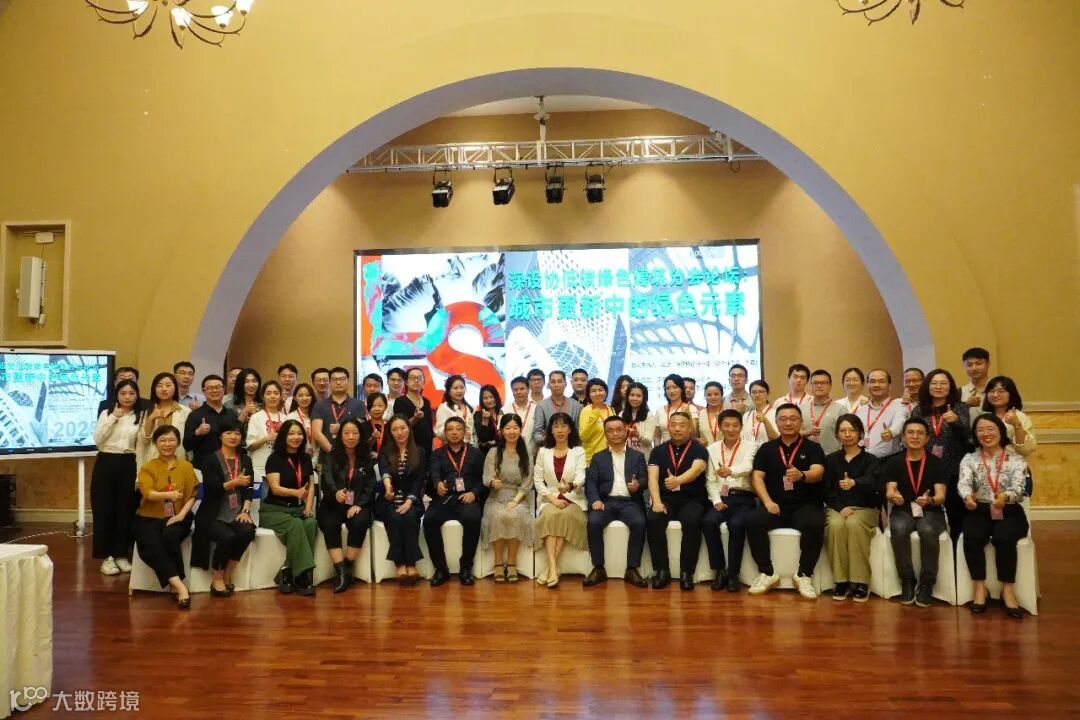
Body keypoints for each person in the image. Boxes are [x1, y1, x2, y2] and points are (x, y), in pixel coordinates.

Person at [746, 404, 827, 599]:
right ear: (776, 422)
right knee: (753, 520)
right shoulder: (767, 448)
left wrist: (802, 475)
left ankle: (804, 575)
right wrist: (767, 502)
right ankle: (767, 573)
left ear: (801, 422)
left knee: (815, 523)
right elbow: (757, 477)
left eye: (793, 418)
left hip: (805, 505)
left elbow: (818, 472)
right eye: (783, 419)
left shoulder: (813, 447)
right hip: (775, 506)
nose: (788, 423)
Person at [959, 414, 1030, 619]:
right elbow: (964, 483)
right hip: (979, 509)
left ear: (1001, 431)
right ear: (975, 434)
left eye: (991, 429)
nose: (986, 434)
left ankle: (1008, 590)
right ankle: (979, 588)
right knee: (972, 537)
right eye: (980, 430)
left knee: (1004, 537)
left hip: (1009, 510)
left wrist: (1005, 497)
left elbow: (1019, 488)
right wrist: (967, 497)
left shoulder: (1015, 459)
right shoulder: (969, 459)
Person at [882, 418, 948, 607]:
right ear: (903, 437)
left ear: (927, 438)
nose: (915, 436)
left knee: (928, 530)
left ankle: (927, 583)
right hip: (903, 509)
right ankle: (907, 580)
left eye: (920, 433)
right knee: (898, 529)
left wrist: (930, 500)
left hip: (931, 510)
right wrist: (893, 496)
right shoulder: (894, 462)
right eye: (910, 432)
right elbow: (890, 490)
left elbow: (941, 496)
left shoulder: (937, 463)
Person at [133, 426, 198, 608]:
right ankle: (179, 586)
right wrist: (168, 495)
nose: (167, 444)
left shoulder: (186, 466)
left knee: (170, 536)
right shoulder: (148, 467)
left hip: (180, 515)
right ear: (155, 443)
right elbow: (148, 494)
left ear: (178, 443)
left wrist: (181, 515)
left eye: (171, 440)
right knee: (150, 546)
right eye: (162, 440)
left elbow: (192, 495)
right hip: (149, 517)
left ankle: (176, 587)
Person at [191, 419, 256, 597]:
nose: (233, 437)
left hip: (237, 511)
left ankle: (228, 571)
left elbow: (249, 487)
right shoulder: (210, 459)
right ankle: (217, 577)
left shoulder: (245, 459)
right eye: (228, 433)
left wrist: (246, 511)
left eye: (237, 433)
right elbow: (213, 489)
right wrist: (235, 482)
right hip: (212, 514)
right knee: (227, 536)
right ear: (220, 436)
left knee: (247, 531)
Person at [583, 416, 649, 588]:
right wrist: (595, 500)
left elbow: (645, 479)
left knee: (639, 522)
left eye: (619, 429)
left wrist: (638, 484)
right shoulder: (598, 457)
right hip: (606, 501)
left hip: (630, 502)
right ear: (605, 434)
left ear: (626, 431)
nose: (615, 434)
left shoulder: (638, 456)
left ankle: (632, 569)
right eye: (610, 431)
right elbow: (591, 483)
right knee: (594, 522)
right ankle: (598, 568)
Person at [646, 411, 709, 591]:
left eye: (682, 425)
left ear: (690, 428)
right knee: (654, 519)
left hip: (692, 498)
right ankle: (662, 571)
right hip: (666, 498)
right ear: (668, 427)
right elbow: (652, 478)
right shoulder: (658, 450)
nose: (677, 429)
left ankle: (686, 572)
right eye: (673, 425)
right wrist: (657, 502)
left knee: (692, 520)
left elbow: (696, 470)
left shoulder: (699, 449)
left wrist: (677, 481)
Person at [822, 414, 881, 602]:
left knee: (854, 524)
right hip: (837, 508)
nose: (847, 434)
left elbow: (874, 483)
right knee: (835, 525)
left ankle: (860, 581)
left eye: (852, 430)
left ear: (860, 433)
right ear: (837, 435)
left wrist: (855, 482)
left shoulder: (871, 459)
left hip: (865, 509)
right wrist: (840, 508)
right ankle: (841, 581)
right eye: (843, 431)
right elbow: (826, 490)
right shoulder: (831, 460)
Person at [700, 410, 758, 593]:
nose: (731, 429)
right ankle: (720, 571)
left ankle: (733, 573)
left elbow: (748, 467)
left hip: (743, 497)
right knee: (708, 521)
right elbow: (710, 480)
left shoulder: (751, 446)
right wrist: (716, 500)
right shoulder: (712, 449)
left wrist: (730, 471)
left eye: (735, 425)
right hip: (721, 497)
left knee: (737, 524)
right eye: (727, 425)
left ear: (741, 427)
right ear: (720, 427)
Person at [910, 369, 971, 539]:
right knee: (928, 512)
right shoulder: (919, 410)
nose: (938, 387)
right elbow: (911, 436)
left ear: (950, 387)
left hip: (953, 468)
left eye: (943, 383)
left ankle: (956, 551)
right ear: (927, 386)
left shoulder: (959, 407)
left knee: (956, 515)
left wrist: (955, 422)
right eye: (934, 383)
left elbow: (967, 437)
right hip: (927, 468)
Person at [260, 419, 318, 596]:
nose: (296, 437)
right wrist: (296, 493)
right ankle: (303, 576)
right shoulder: (274, 458)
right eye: (291, 433)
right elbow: (275, 489)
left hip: (296, 510)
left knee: (310, 523)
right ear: (283, 436)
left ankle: (287, 571)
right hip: (273, 510)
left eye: (299, 433)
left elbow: (311, 486)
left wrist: (308, 507)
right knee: (296, 525)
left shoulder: (305, 458)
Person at [317, 418, 376, 593]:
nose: (351, 437)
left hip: (356, 503)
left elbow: (370, 485)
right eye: (346, 433)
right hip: (333, 503)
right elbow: (326, 479)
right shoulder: (330, 455)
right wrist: (335, 492)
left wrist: (359, 504)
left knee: (360, 521)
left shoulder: (366, 458)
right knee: (330, 523)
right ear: (340, 435)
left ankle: (347, 566)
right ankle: (341, 571)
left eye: (355, 433)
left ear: (360, 436)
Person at [91, 379, 143, 576]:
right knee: (104, 510)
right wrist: (114, 417)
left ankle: (121, 554)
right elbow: (98, 439)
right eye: (123, 393)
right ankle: (107, 557)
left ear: (137, 395)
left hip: (129, 463)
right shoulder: (107, 413)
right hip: (106, 462)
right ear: (117, 395)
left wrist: (139, 474)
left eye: (131, 393)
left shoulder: (141, 416)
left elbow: (141, 446)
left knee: (126, 510)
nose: (127, 397)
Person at [425, 416, 485, 586]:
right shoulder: (437, 454)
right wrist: (437, 485)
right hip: (445, 498)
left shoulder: (476, 453)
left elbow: (484, 479)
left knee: (473, 519)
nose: (454, 432)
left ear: (465, 431)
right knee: (429, 520)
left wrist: (474, 493)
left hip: (467, 498)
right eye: (450, 429)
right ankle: (440, 569)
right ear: (445, 433)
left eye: (458, 429)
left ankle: (466, 567)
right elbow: (434, 474)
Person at [533, 412, 588, 589]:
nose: (560, 430)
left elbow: (581, 476)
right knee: (552, 515)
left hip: (573, 498)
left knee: (564, 516)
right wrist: (552, 499)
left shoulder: (578, 451)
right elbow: (537, 480)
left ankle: (549, 569)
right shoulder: (543, 452)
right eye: (556, 426)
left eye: (563, 426)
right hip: (549, 498)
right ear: (550, 430)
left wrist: (570, 486)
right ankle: (553, 568)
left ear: (570, 429)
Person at [482, 414, 534, 583]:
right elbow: (487, 477)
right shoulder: (493, 452)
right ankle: (498, 563)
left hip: (518, 497)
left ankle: (511, 563)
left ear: (520, 430)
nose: (512, 432)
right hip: (496, 497)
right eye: (508, 428)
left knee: (514, 515)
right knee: (498, 515)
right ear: (501, 431)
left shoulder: (526, 453)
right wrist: (492, 482)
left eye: (515, 428)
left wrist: (515, 501)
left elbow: (527, 481)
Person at [376, 415, 426, 584]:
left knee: (410, 517)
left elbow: (419, 480)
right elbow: (384, 471)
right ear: (390, 432)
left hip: (412, 499)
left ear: (409, 429)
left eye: (402, 428)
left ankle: (411, 564)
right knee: (396, 517)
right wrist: (388, 488)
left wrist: (409, 501)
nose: (399, 432)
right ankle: (400, 564)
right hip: (389, 499)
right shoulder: (385, 451)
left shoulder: (419, 451)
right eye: (395, 429)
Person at [312, 366, 368, 462]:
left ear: (348, 381)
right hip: (327, 457)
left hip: (352, 458)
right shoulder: (320, 405)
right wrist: (333, 452)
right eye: (334, 380)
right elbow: (317, 433)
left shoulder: (358, 404)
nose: (338, 382)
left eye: (342, 379)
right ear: (330, 382)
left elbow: (359, 430)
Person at [183, 375, 239, 466]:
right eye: (210, 388)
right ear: (204, 391)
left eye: (218, 387)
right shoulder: (195, 415)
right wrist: (197, 432)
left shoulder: (231, 414)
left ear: (223, 389)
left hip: (229, 465)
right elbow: (186, 445)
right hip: (204, 466)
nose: (214, 390)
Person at [137, 372, 190, 467]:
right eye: (159, 386)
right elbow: (144, 441)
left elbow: (188, 441)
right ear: (154, 389)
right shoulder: (147, 411)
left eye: (168, 385)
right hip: (153, 461)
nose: (164, 389)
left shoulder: (185, 411)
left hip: (178, 461)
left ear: (175, 388)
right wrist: (151, 418)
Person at [855, 369, 909, 458]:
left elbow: (900, 421)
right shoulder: (861, 408)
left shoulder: (899, 405)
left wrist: (892, 432)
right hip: (863, 459)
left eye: (881, 381)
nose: (876, 385)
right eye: (872, 381)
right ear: (867, 385)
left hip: (888, 460)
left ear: (889, 385)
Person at [246, 381, 287, 495]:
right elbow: (250, 446)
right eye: (268, 393)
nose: (272, 396)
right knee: (259, 503)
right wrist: (267, 438)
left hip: (281, 470)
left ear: (280, 396)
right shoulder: (256, 417)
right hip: (260, 470)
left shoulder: (286, 418)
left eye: (276, 393)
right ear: (263, 396)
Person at [982, 376, 1036, 457]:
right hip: (987, 462)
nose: (995, 395)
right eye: (991, 391)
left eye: (1001, 391)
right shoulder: (983, 417)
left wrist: (1017, 425)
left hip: (1013, 462)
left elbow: (1026, 450)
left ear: (1011, 394)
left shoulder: (1020, 417)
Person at [531, 370, 583, 448]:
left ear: (565, 384)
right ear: (549, 385)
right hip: (549, 449)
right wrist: (552, 439)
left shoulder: (576, 406)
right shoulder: (541, 406)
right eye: (553, 382)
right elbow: (536, 434)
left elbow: (579, 431)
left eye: (559, 381)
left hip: (571, 449)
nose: (556, 385)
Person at [393, 366, 434, 455]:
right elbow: (400, 427)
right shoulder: (400, 402)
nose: (416, 381)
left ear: (423, 382)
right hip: (410, 448)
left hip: (427, 448)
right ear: (406, 382)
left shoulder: (426, 402)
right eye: (412, 378)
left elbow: (429, 427)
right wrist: (415, 418)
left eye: (419, 378)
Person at [804, 369, 844, 455]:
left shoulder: (840, 409)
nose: (819, 386)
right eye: (815, 383)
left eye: (824, 383)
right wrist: (808, 433)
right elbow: (794, 434)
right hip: (805, 457)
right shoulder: (801, 408)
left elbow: (846, 436)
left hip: (832, 457)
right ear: (811, 385)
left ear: (830, 386)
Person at [654, 373, 699, 446]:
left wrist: (688, 413)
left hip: (686, 449)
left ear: (682, 389)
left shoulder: (690, 408)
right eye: (668, 388)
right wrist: (657, 450)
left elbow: (694, 435)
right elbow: (657, 436)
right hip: (665, 449)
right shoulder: (660, 410)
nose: (671, 391)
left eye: (675, 387)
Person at [578, 378, 615, 465]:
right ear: (589, 394)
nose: (598, 393)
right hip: (592, 459)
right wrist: (594, 418)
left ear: (606, 392)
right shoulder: (587, 410)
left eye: (600, 390)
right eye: (593, 391)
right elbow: (583, 436)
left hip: (610, 457)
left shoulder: (611, 409)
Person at [435, 374, 474, 446]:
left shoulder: (470, 408)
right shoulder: (444, 408)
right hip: (452, 447)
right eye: (455, 388)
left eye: (462, 387)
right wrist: (457, 434)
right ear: (449, 391)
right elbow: (439, 432)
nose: (459, 391)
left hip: (470, 447)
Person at [621, 381, 656, 458]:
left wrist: (638, 435)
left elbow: (648, 441)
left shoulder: (649, 416)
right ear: (627, 396)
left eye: (638, 396)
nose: (635, 398)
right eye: (632, 395)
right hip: (624, 457)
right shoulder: (621, 414)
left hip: (643, 458)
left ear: (644, 398)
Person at [504, 376, 536, 455]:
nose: (519, 392)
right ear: (512, 391)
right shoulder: (505, 410)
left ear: (528, 390)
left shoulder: (536, 409)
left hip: (531, 454)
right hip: (510, 454)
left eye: (522, 389)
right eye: (515, 390)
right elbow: (500, 432)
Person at [742, 379, 779, 444]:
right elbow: (742, 437)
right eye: (754, 392)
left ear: (767, 394)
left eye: (761, 392)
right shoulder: (746, 415)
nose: (757, 395)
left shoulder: (776, 414)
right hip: (749, 450)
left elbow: (777, 438)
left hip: (768, 449)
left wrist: (766, 421)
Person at [285, 382, 317, 456]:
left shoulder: (318, 416)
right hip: (297, 456)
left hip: (318, 457)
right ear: (295, 398)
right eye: (300, 395)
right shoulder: (290, 417)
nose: (304, 398)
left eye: (308, 395)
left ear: (312, 397)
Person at [473, 384, 503, 457]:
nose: (489, 401)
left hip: (502, 451)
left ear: (496, 397)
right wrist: (485, 420)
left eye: (491, 397)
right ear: (481, 400)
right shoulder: (478, 414)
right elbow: (483, 438)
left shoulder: (502, 412)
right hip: (486, 453)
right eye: (485, 398)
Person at [697, 381, 726, 446]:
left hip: (725, 450)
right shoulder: (700, 414)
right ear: (705, 396)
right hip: (705, 450)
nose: (713, 397)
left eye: (716, 394)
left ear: (722, 396)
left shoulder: (728, 413)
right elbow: (695, 435)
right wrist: (697, 440)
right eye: (709, 395)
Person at [365, 393, 388, 461]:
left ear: (386, 407)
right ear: (368, 408)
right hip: (368, 464)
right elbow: (361, 449)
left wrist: (380, 456)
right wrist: (372, 439)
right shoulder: (362, 426)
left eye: (380, 405)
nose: (376, 409)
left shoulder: (390, 426)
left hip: (387, 464)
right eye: (373, 406)